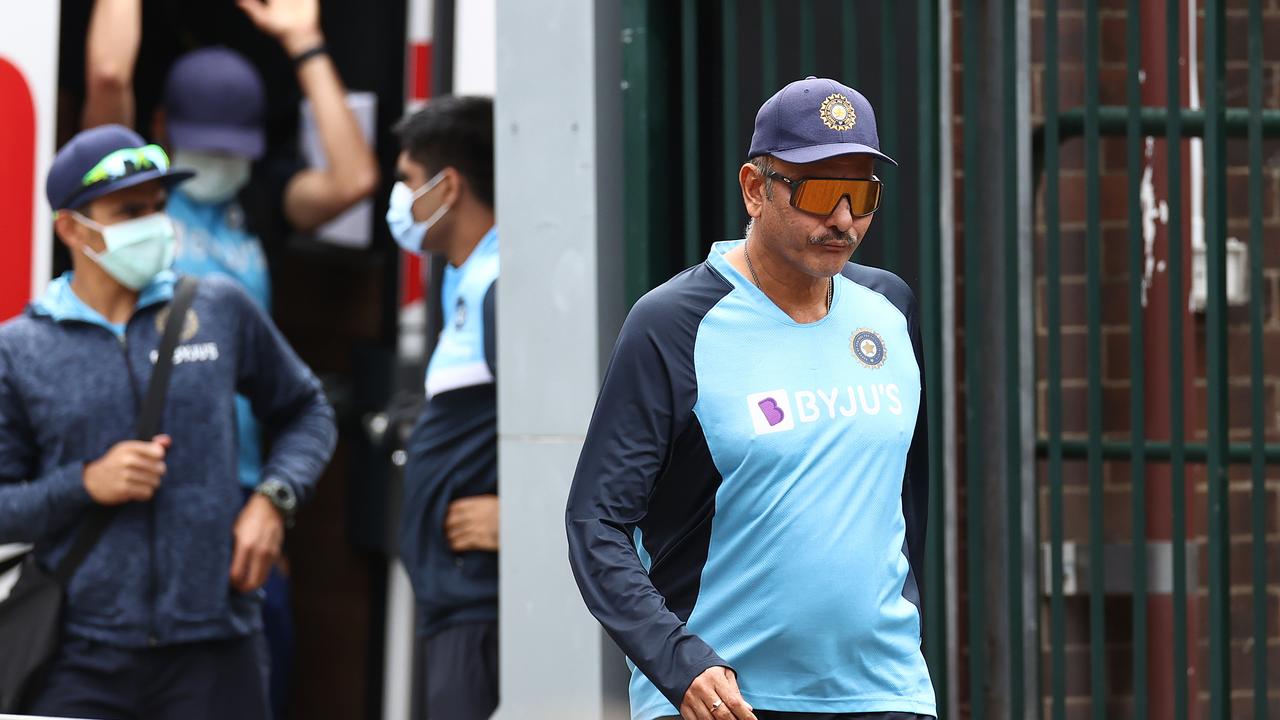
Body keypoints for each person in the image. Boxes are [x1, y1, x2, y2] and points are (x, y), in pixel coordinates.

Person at [566, 77, 935, 720]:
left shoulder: (891, 309)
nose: (843, 218)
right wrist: (675, 661)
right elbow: (595, 522)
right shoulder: (674, 323)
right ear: (755, 188)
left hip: (885, 692)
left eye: (862, 194)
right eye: (821, 190)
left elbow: (905, 497)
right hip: (726, 702)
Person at [81, 1, 378, 713]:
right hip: (133, 494)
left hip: (242, 506)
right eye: (202, 143)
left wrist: (305, 41)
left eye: (231, 148)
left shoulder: (262, 201)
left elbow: (354, 178)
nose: (218, 162)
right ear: (159, 131)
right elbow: (106, 72)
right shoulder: (129, 206)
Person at [0, 124, 336, 719]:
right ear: (72, 229)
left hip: (216, 648)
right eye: (130, 210)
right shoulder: (20, 349)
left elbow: (307, 409)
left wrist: (272, 501)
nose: (155, 224)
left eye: (158, 206)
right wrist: (84, 483)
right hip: (79, 654)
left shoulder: (219, 306)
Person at [386, 96, 500, 720]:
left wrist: (526, 517)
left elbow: (577, 430)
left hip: (483, 606)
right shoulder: (466, 275)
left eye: (406, 180)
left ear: (447, 184)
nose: (398, 201)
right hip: (458, 603)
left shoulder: (500, 283)